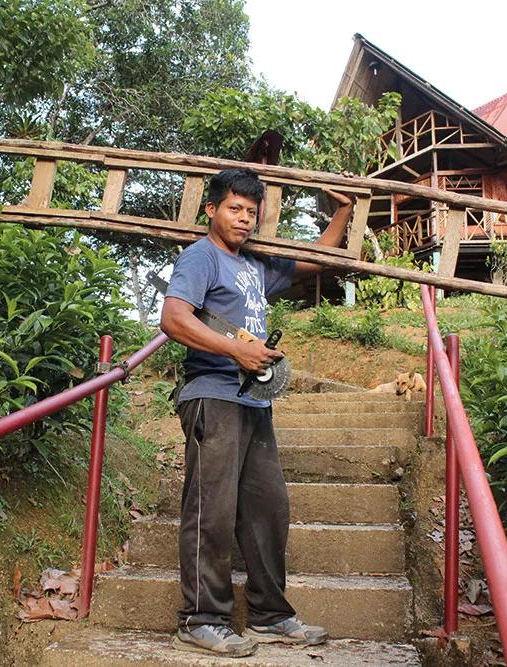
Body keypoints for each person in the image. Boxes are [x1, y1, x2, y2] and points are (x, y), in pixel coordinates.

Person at [159, 168, 353, 657]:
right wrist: (234, 351)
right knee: (212, 509)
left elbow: (315, 260)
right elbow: (174, 318)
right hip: (212, 394)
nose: (243, 219)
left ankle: (269, 615)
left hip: (252, 399)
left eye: (251, 212)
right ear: (212, 210)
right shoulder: (200, 258)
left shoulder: (253, 265)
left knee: (269, 509)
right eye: (234, 209)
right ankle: (201, 618)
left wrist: (345, 211)